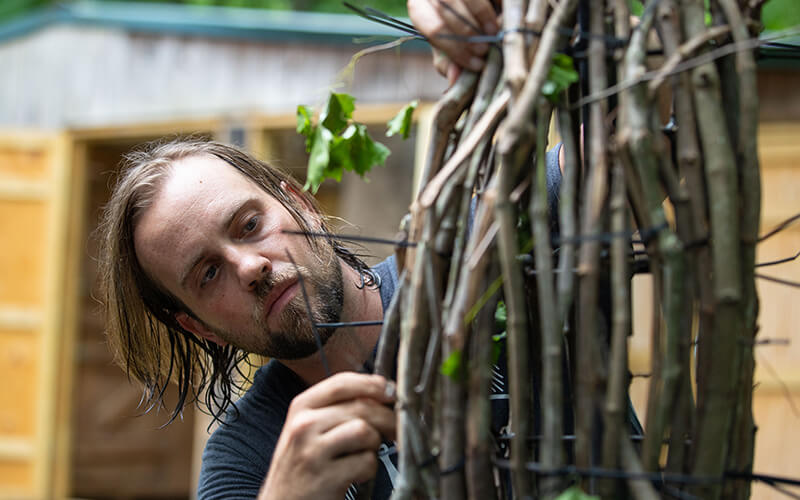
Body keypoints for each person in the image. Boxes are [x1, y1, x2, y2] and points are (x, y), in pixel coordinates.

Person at [97, 2, 565, 499]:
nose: (250, 266)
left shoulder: (485, 249)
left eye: (249, 224)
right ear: (198, 326)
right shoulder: (248, 463)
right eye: (208, 274)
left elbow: (642, 123)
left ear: (300, 204)